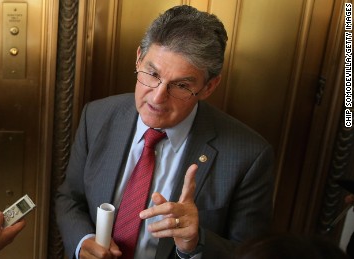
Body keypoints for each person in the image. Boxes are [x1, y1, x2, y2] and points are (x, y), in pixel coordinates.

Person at [55, 4, 275, 259]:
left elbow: (251, 254)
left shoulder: (249, 156)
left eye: (181, 85)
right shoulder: (96, 116)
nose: (157, 98)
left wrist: (195, 242)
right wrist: (83, 242)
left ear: (208, 87)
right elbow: (69, 198)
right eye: (152, 73)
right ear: (139, 58)